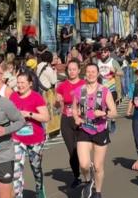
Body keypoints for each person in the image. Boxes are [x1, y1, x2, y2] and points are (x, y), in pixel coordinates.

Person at [72, 63, 117, 198]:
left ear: (98, 74)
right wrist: (76, 118)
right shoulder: (79, 91)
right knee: (84, 164)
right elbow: (74, 108)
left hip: (100, 130)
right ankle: (87, 181)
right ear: (85, 74)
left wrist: (103, 114)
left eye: (93, 72)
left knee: (98, 166)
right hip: (84, 129)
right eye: (88, 72)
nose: (91, 74)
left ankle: (97, 192)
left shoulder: (104, 91)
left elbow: (114, 112)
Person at [10, 73, 50, 198]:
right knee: (16, 170)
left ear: (30, 84)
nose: (20, 85)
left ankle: (39, 187)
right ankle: (18, 194)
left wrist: (29, 114)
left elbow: (46, 117)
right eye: (18, 82)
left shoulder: (36, 97)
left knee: (36, 167)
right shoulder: (13, 96)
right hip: (17, 138)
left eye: (23, 83)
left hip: (35, 138)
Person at [56, 59, 86, 188]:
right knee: (72, 151)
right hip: (67, 120)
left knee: (82, 150)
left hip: (82, 119)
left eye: (74, 69)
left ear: (79, 70)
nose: (72, 72)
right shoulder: (62, 85)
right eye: (69, 69)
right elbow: (56, 106)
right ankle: (76, 176)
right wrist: (58, 102)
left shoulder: (84, 84)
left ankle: (87, 173)